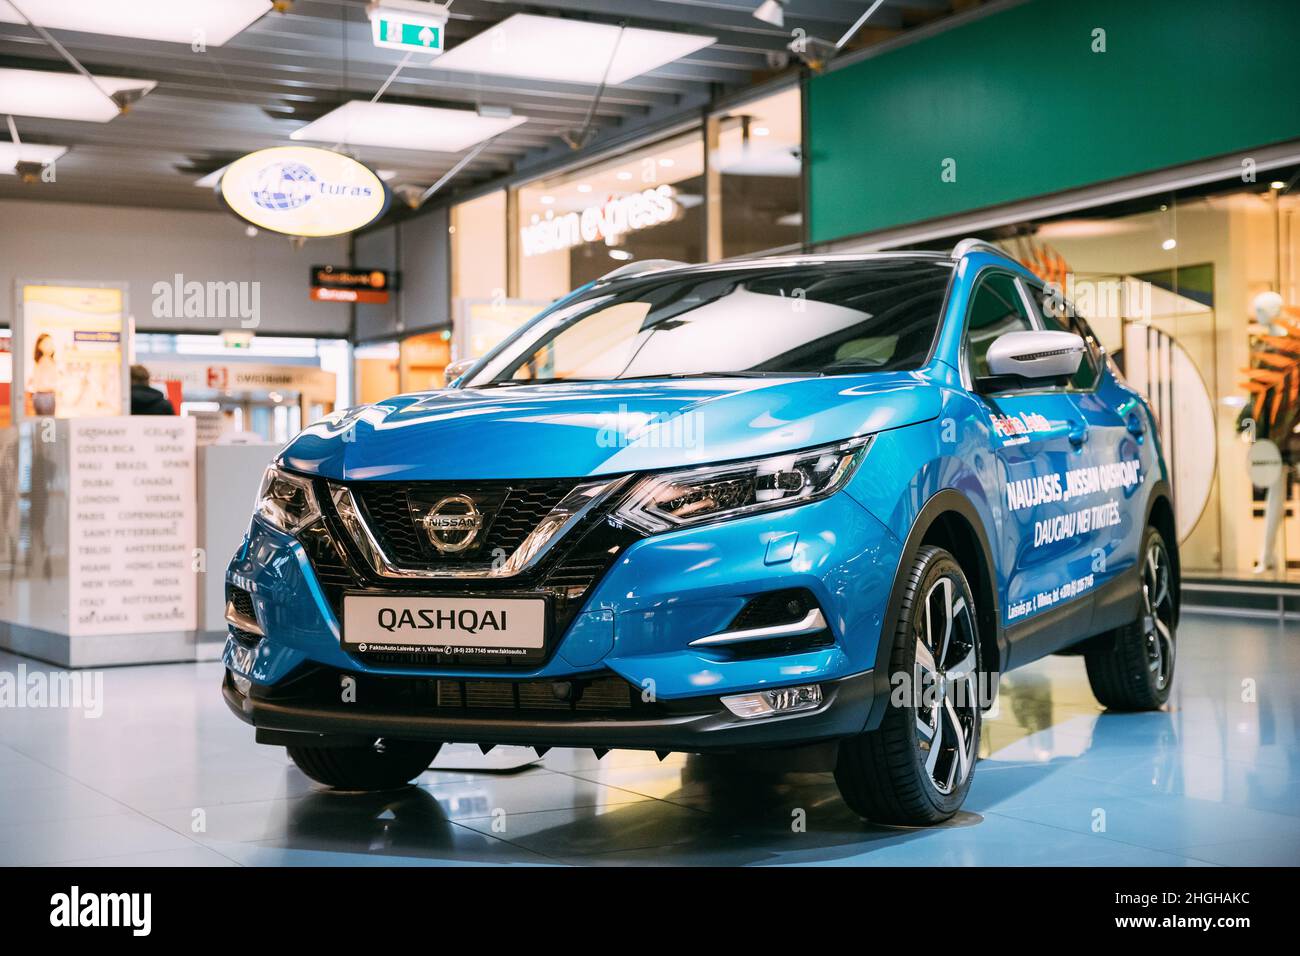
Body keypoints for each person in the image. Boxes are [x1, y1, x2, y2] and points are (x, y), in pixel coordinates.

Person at [27, 333, 57, 416]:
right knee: (47, 424)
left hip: (42, 396)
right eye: (47, 343)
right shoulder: (45, 361)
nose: (51, 346)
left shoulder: (41, 361)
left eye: (51, 343)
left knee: (43, 424)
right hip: (45, 396)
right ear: (39, 346)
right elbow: (45, 383)